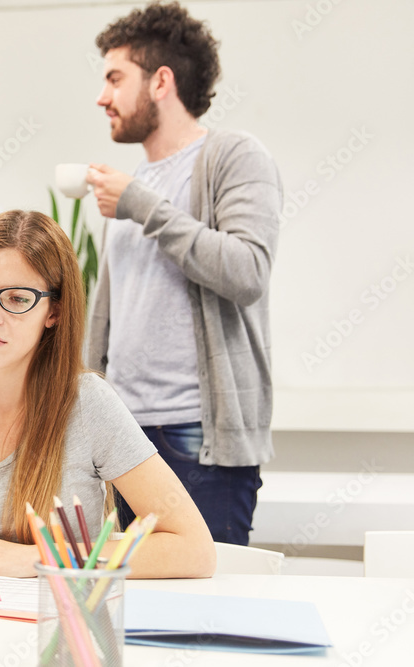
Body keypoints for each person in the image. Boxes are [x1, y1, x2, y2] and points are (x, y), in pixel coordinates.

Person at [0, 210, 215, 578]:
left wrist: (37, 558)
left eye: (16, 298)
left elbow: (195, 548)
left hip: (69, 623)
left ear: (54, 312)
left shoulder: (88, 402)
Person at [84, 2, 283, 545]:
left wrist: (142, 205)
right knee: (134, 613)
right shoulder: (131, 188)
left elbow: (246, 271)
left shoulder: (233, 156)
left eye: (115, 78)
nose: (102, 97)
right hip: (125, 435)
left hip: (198, 438)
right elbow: (106, 315)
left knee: (202, 617)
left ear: (161, 81)